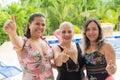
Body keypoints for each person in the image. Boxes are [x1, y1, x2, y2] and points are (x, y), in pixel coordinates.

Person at [3, 12, 54, 80]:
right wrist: (12, 33)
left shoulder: (45, 42)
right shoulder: (24, 42)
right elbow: (17, 44)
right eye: (37, 24)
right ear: (29, 25)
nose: (40, 27)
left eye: (43, 25)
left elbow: (49, 63)